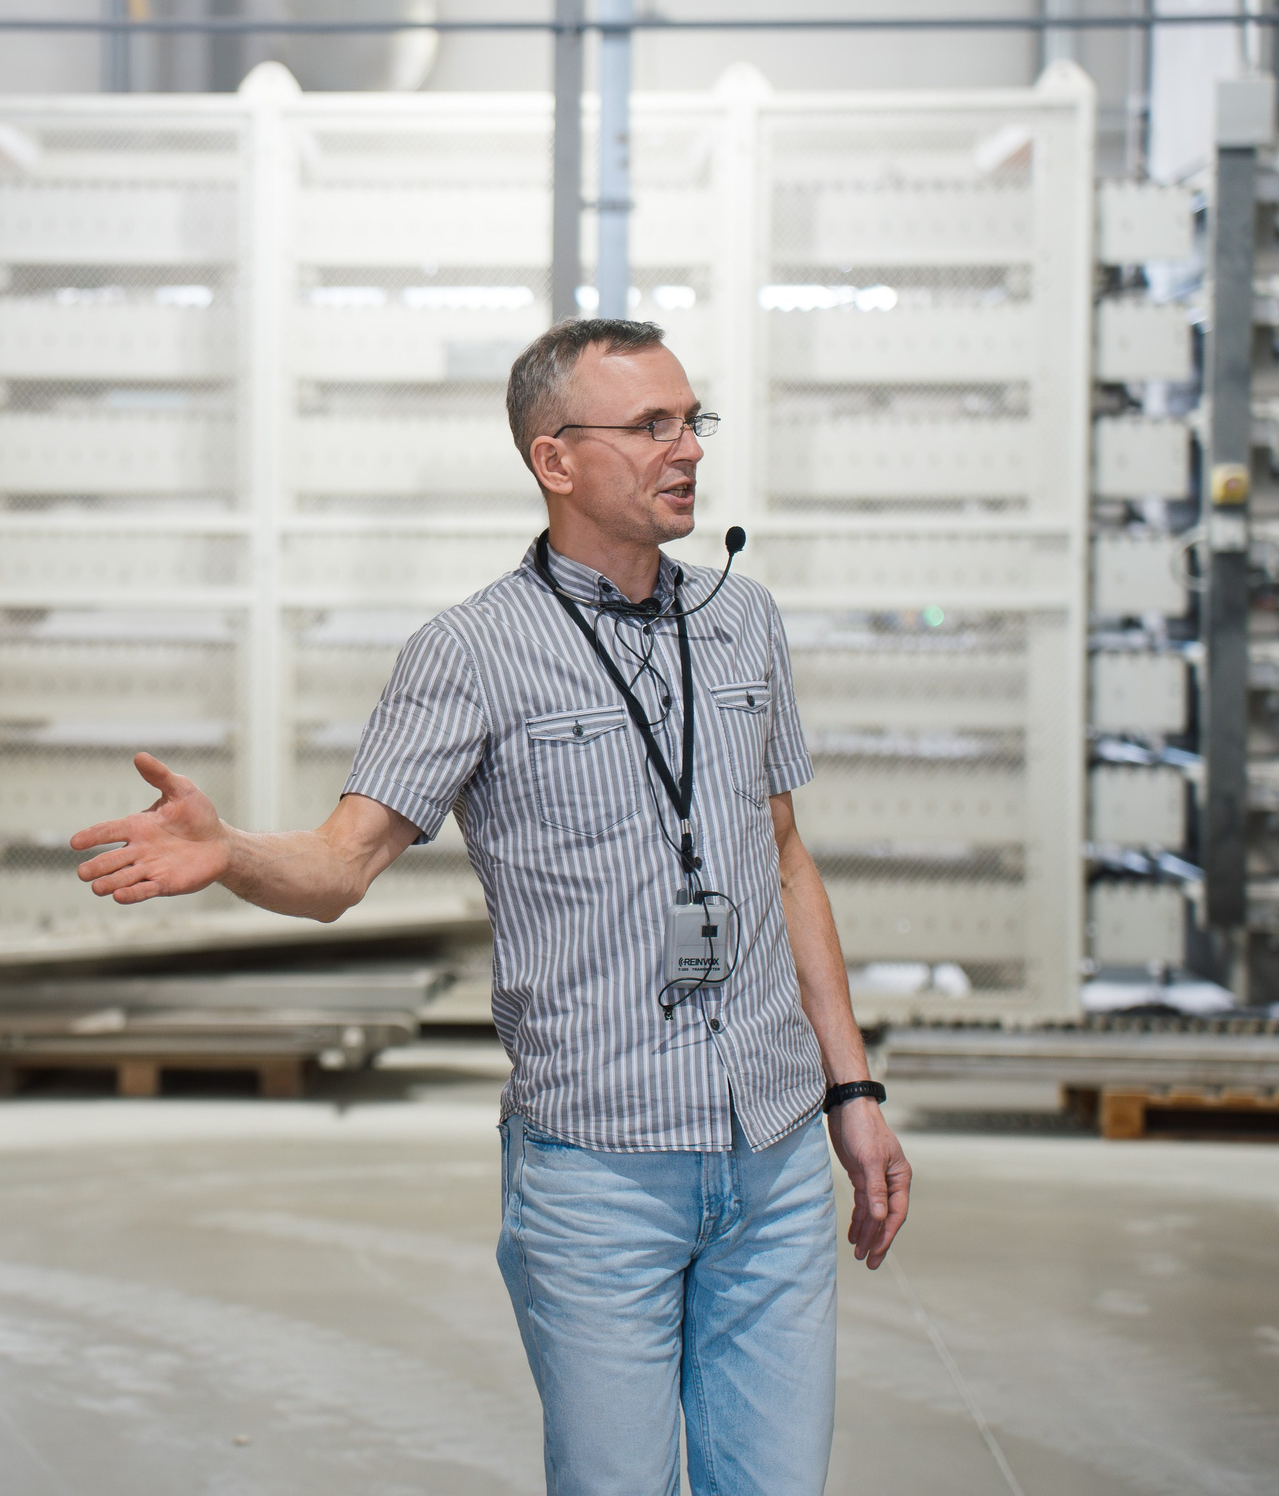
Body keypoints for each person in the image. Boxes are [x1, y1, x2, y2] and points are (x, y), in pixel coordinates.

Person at [69, 317, 910, 1495]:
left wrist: (852, 1090)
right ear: (553, 460)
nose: (687, 452)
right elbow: (340, 865)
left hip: (771, 1159)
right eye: (651, 426)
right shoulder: (469, 652)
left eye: (691, 422)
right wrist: (228, 852)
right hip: (599, 1172)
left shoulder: (741, 623)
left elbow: (782, 860)